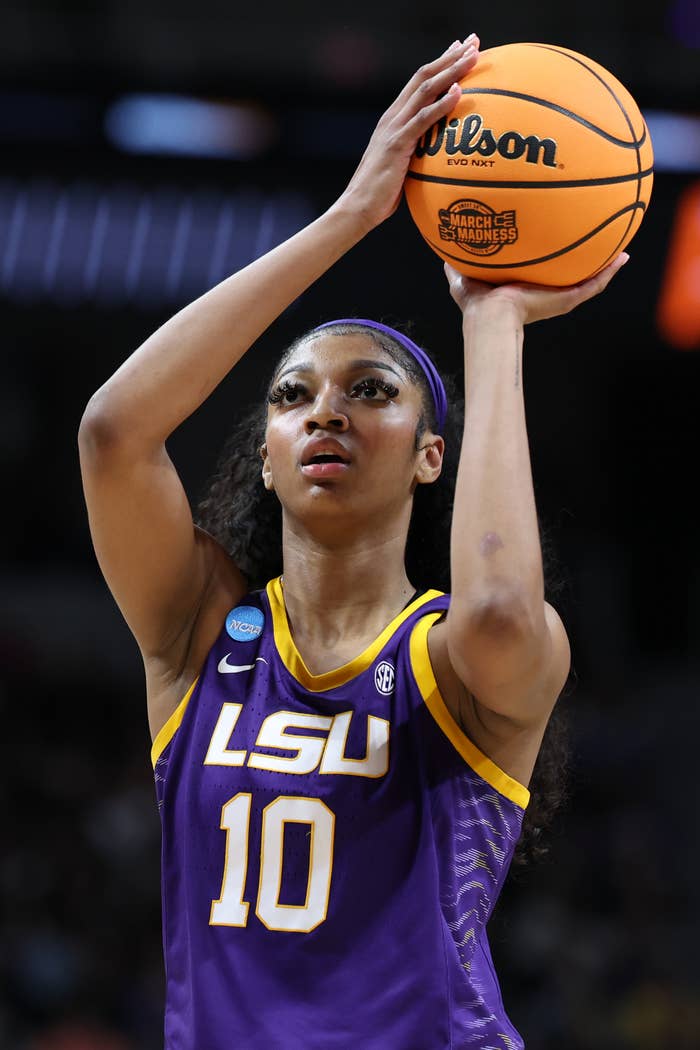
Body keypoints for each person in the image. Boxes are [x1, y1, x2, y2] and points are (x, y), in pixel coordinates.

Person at [78, 34, 628, 1050]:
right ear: (268, 458)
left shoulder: (457, 658)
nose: (325, 411)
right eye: (294, 397)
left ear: (429, 458)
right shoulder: (200, 632)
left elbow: (504, 605)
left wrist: (495, 321)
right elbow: (115, 432)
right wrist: (348, 216)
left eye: (368, 391)